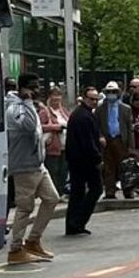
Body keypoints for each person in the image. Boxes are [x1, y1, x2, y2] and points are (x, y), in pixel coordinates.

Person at [4, 73, 62, 264]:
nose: (36, 91)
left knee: (52, 198)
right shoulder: (14, 108)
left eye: (38, 86)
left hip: (37, 164)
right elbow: (29, 127)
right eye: (32, 87)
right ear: (21, 88)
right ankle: (15, 249)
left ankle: (33, 240)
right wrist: (29, 104)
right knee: (25, 207)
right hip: (24, 166)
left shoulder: (28, 106)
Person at [63, 87, 102, 237]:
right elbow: (88, 142)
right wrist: (97, 158)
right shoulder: (83, 116)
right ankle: (77, 221)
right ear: (84, 98)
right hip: (84, 161)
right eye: (91, 99)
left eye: (96, 99)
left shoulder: (82, 114)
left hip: (77, 159)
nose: (94, 102)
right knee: (95, 189)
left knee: (78, 192)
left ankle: (74, 224)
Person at [98, 82, 131, 199]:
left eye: (114, 92)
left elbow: (130, 128)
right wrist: (100, 136)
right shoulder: (100, 109)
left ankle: (128, 190)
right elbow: (97, 126)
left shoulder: (125, 109)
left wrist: (131, 146)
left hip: (121, 140)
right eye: (109, 92)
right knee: (108, 168)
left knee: (125, 167)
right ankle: (110, 191)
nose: (111, 94)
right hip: (107, 141)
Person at [39, 87, 69, 196]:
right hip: (52, 147)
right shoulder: (44, 112)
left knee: (63, 171)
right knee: (53, 171)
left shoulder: (64, 111)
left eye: (58, 98)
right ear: (49, 98)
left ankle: (60, 193)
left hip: (65, 146)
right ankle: (53, 194)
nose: (57, 100)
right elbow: (39, 127)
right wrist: (56, 127)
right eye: (54, 98)